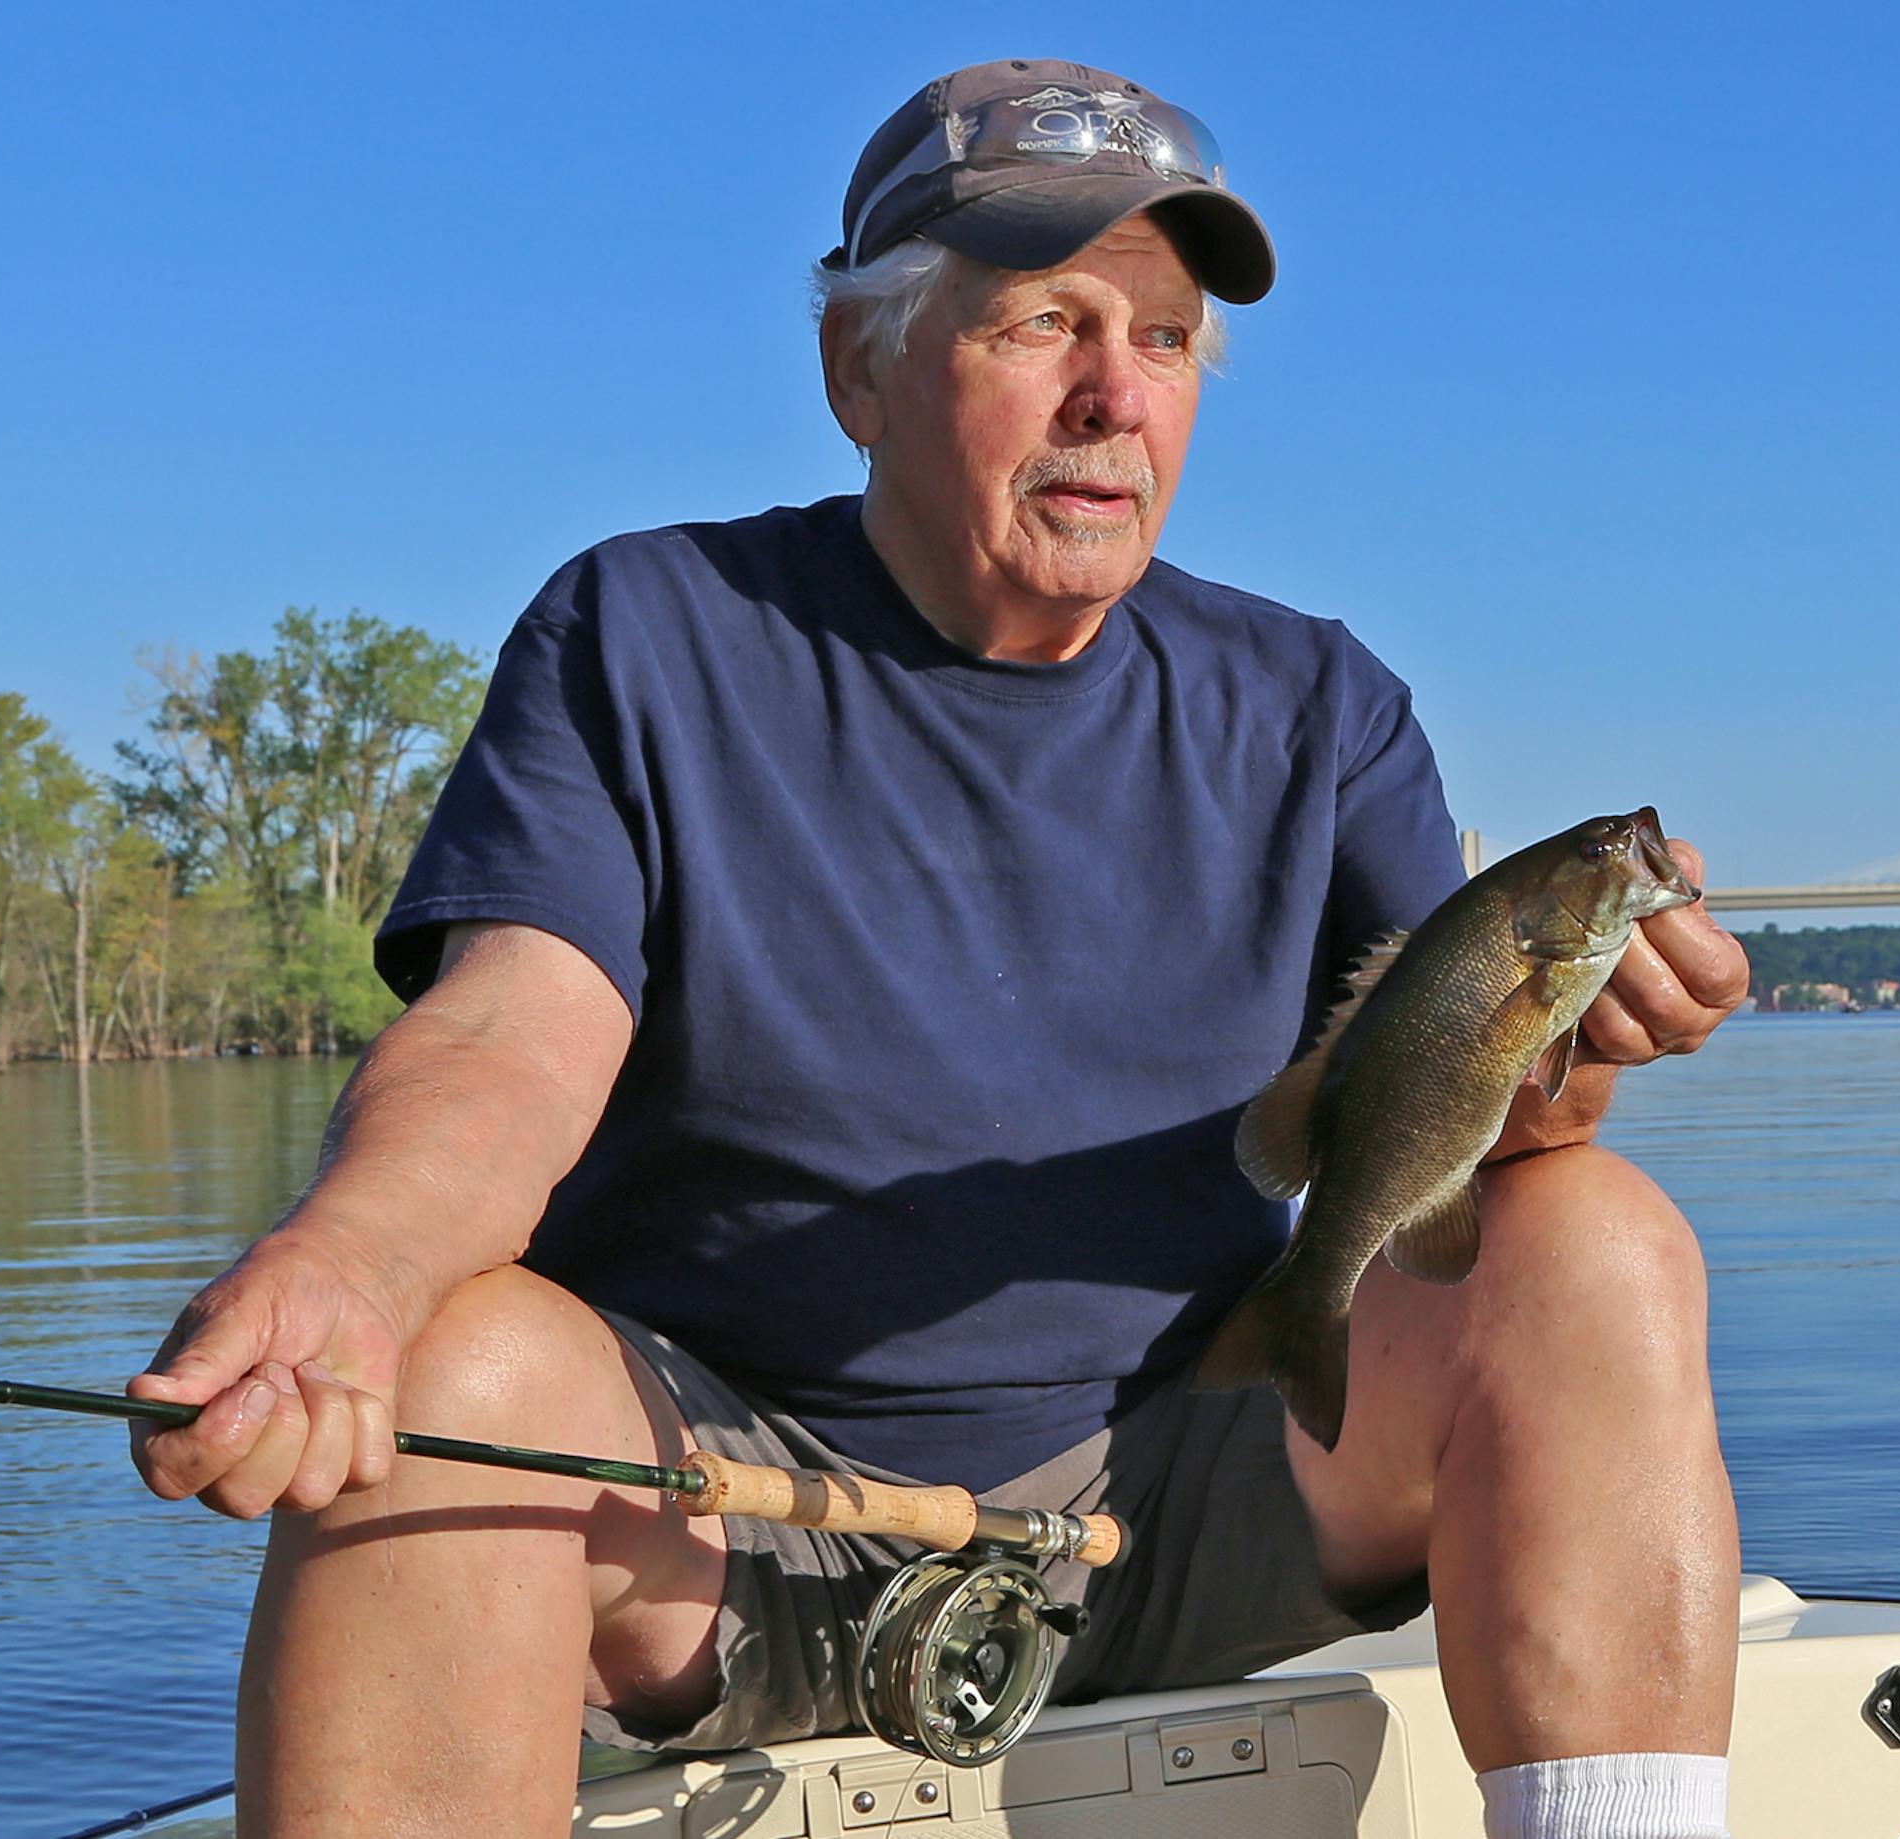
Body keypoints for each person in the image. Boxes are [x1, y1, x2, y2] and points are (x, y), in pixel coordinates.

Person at [128, 59, 1750, 1839]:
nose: (1114, 396)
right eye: (1043, 322)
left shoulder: (1320, 706)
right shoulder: (647, 633)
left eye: (1167, 339)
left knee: (1595, 1245)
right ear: (860, 371)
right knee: (449, 1369)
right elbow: (514, 1032)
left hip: (1189, 1477)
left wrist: (1575, 1054)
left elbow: (1453, 1136)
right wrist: (347, 1272)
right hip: (730, 1516)